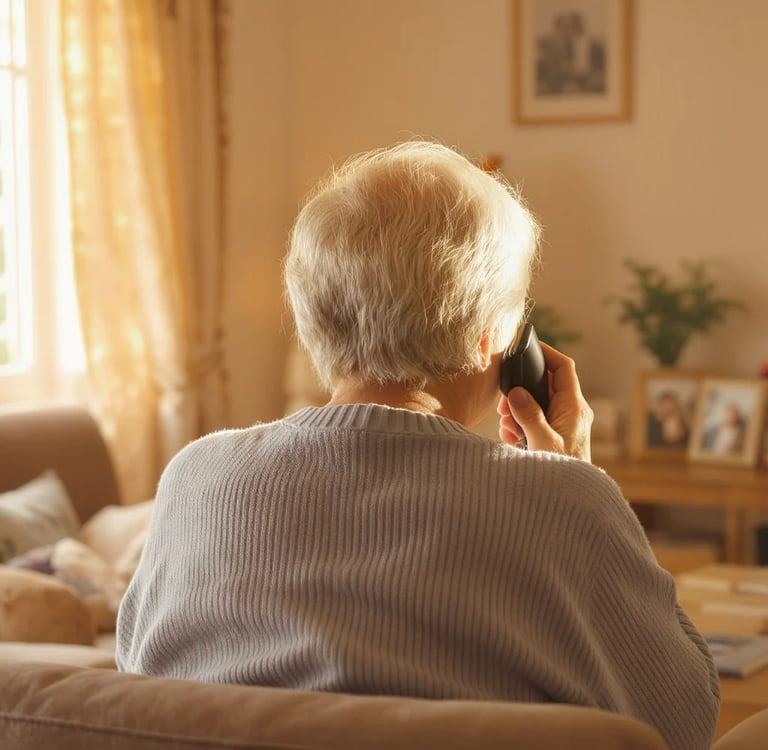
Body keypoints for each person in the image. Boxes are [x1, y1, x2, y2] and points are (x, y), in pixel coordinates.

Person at [116, 142, 719, 750]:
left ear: (310, 316)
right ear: (495, 341)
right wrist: (577, 483)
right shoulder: (561, 500)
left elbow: (137, 675)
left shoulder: (195, 477)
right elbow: (681, 723)